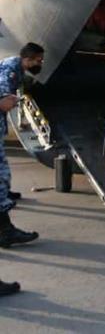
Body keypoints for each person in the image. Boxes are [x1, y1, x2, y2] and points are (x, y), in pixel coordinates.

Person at [0, 43, 43, 248]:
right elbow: (3, 100)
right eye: (38, 60)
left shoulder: (16, 69)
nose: (40, 64)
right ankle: (6, 232)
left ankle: (5, 230)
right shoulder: (10, 70)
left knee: (2, 178)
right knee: (2, 176)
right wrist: (8, 101)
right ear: (28, 58)